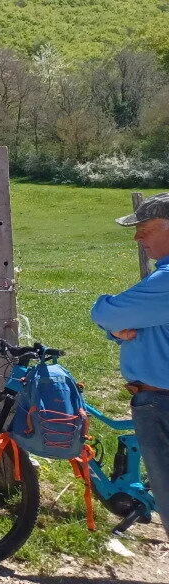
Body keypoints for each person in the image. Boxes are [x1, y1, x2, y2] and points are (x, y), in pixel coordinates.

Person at [90, 192, 169, 539]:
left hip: (161, 401)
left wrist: (108, 319)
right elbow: (142, 329)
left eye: (146, 229)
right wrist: (119, 334)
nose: (137, 237)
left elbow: (106, 313)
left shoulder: (165, 283)